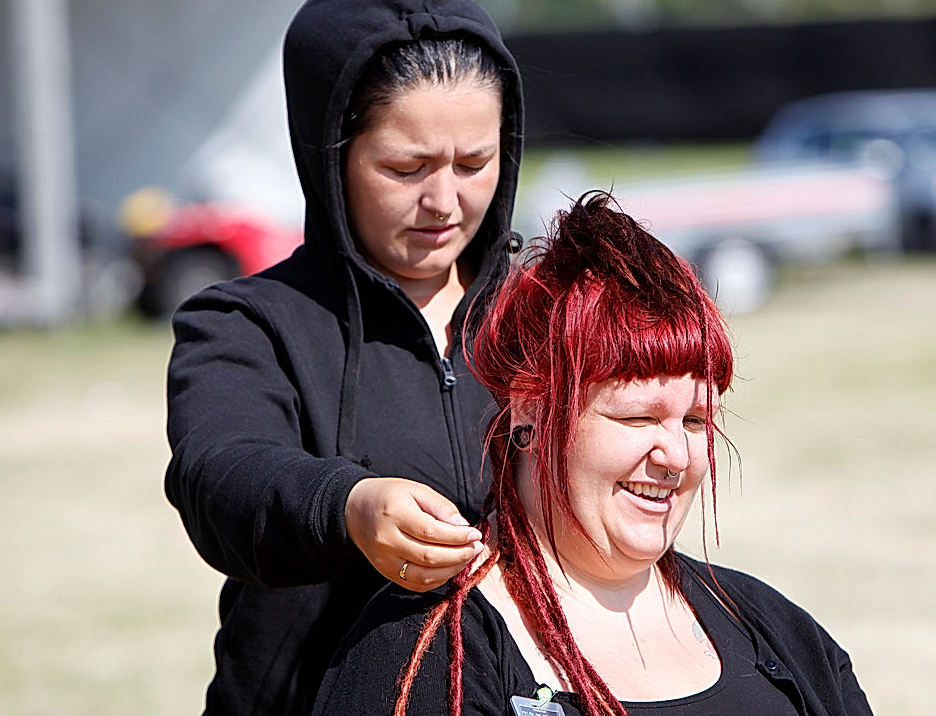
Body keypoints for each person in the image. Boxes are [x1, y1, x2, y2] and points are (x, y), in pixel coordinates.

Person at [313, 192, 873, 716]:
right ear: (530, 411)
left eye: (696, 420)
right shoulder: (427, 654)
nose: (676, 455)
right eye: (637, 418)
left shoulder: (778, 635)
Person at [164, 0, 524, 715]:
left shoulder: (546, 309)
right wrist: (348, 506)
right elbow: (219, 475)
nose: (444, 201)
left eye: (474, 162)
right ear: (328, 154)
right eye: (406, 167)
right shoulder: (244, 324)